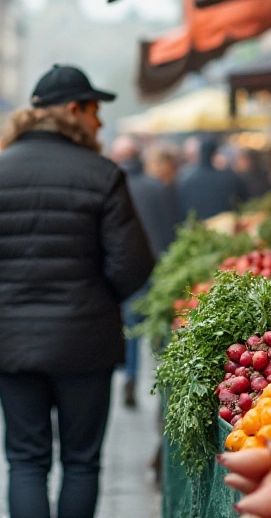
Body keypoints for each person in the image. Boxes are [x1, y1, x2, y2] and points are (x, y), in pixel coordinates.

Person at [0, 65, 154, 518]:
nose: (99, 122)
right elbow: (133, 265)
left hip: (10, 338)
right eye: (96, 111)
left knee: (25, 458)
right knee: (80, 460)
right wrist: (97, 296)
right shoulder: (103, 174)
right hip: (86, 340)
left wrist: (2, 294)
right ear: (74, 110)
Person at [107, 136, 180, 409]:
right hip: (158, 267)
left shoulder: (114, 189)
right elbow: (173, 226)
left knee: (133, 328)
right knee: (161, 332)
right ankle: (162, 393)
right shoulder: (156, 186)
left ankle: (130, 378)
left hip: (129, 269)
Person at [178, 135, 248, 220]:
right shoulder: (230, 178)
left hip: (197, 229)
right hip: (224, 229)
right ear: (215, 153)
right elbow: (244, 204)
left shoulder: (186, 179)